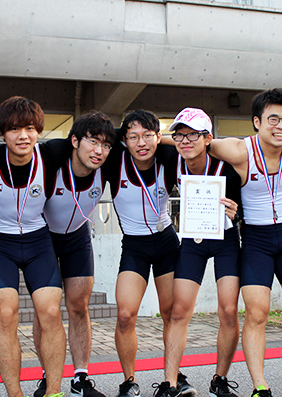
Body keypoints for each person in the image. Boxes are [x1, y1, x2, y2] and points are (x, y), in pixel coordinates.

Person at [206, 89, 282, 397]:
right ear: (257, 122)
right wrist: (148, 139)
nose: (281, 126)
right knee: (256, 314)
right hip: (256, 239)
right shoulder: (241, 151)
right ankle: (260, 386)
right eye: (273, 119)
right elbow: (195, 140)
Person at [0, 97, 65, 397]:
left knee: (51, 312)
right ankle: (15, 394)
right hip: (1, 242)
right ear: (3, 134)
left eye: (29, 128)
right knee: (6, 313)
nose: (22, 136)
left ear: (39, 130)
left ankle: (53, 391)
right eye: (13, 129)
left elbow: (102, 136)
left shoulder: (50, 154)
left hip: (39, 240)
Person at [152, 108, 242, 397]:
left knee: (228, 311)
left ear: (208, 139)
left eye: (192, 134)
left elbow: (241, 209)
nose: (185, 141)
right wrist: (165, 138)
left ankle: (220, 379)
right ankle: (170, 383)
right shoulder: (172, 159)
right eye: (179, 134)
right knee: (179, 311)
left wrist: (235, 212)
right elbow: (156, 142)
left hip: (226, 239)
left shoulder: (226, 167)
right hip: (192, 241)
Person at [32, 111, 117, 397]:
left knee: (79, 305)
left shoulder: (107, 166)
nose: (99, 150)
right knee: (47, 308)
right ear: (75, 141)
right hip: (43, 238)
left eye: (105, 144)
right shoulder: (52, 159)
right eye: (92, 141)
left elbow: (144, 144)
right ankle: (49, 375)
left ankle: (81, 377)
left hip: (78, 237)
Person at [107, 109, 185, 397]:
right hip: (135, 246)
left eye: (148, 136)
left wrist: (164, 140)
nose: (141, 143)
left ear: (158, 137)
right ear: (124, 140)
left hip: (166, 242)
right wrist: (121, 136)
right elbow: (106, 139)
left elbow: (188, 147)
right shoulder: (115, 162)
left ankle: (173, 376)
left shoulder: (169, 159)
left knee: (170, 313)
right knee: (126, 314)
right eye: (133, 137)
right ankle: (129, 380)